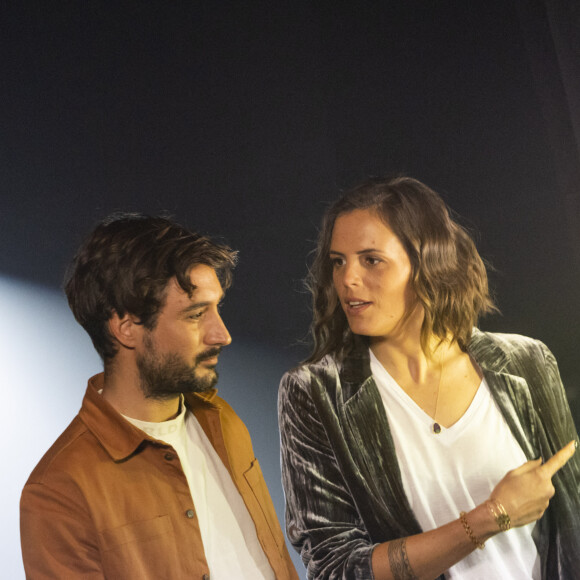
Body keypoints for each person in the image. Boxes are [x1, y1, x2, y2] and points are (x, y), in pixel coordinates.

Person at [278, 177, 580, 580]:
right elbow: (335, 568)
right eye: (338, 261)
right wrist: (490, 517)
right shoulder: (314, 394)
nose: (346, 280)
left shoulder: (526, 361)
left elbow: (572, 525)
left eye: (370, 259)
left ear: (427, 262)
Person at [21, 213, 298, 580]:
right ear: (126, 329)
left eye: (217, 308)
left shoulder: (222, 419)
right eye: (196, 314)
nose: (222, 334)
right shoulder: (58, 490)